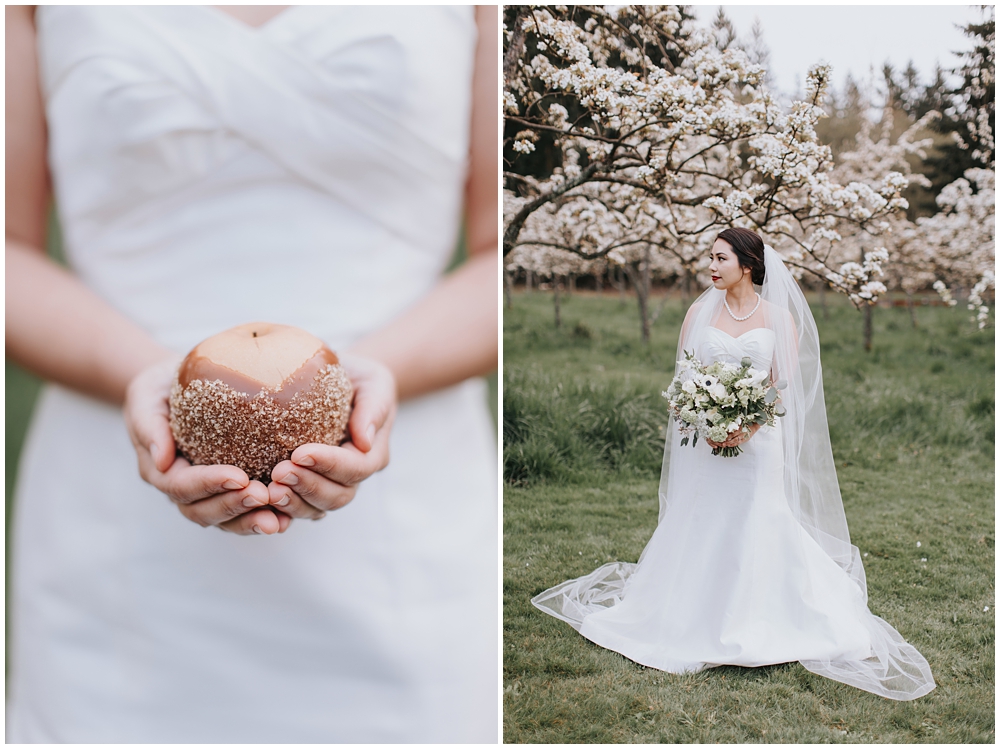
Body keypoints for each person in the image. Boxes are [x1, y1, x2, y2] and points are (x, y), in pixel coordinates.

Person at [6, 5, 497, 742]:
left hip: (405, 536)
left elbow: (507, 253)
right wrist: (147, 377)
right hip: (112, 541)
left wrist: (367, 382)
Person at [532, 227, 936, 701]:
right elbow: (681, 382)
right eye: (709, 257)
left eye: (720, 258)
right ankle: (690, 614)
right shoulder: (696, 314)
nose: (711, 265)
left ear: (747, 264)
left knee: (757, 519)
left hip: (759, 445)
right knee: (705, 518)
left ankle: (762, 613)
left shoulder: (778, 318)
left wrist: (749, 425)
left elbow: (781, 384)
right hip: (706, 444)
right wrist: (704, 419)